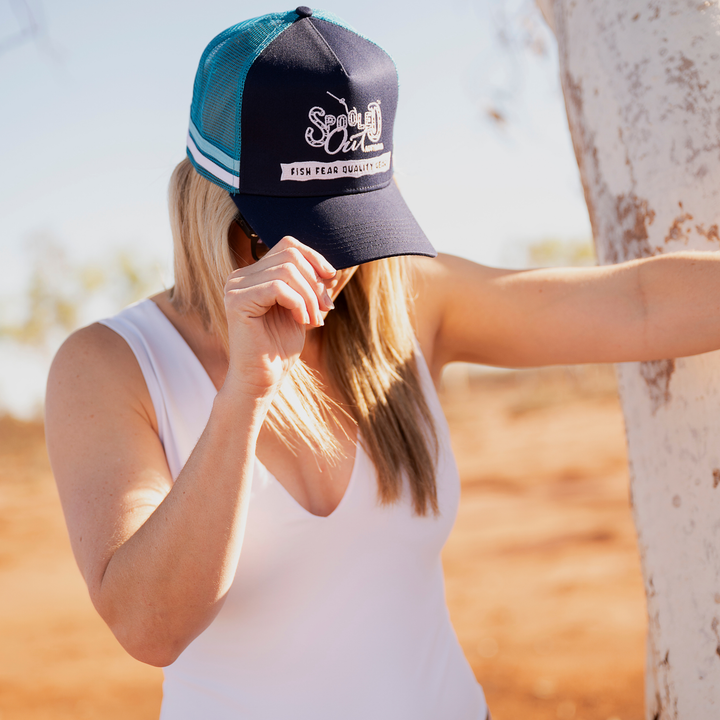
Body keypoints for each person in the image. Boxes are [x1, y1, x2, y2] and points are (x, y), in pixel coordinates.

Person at [45, 7, 720, 720]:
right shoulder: (111, 365)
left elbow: (638, 305)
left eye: (354, 223)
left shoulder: (406, 301)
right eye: (305, 227)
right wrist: (246, 391)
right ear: (216, 209)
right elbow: (150, 627)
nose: (339, 262)